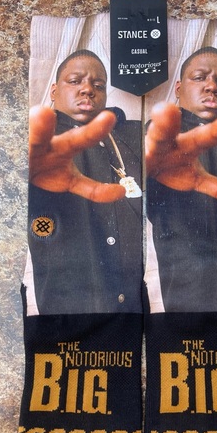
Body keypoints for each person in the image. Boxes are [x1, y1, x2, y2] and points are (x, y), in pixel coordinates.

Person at [24, 49, 143, 315]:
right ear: (53, 91)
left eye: (98, 86)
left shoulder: (125, 136)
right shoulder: (38, 141)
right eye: (75, 81)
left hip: (132, 306)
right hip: (71, 307)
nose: (88, 89)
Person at [145, 46, 217, 312]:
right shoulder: (161, 138)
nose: (212, 87)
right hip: (196, 296)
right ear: (178, 88)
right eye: (199, 78)